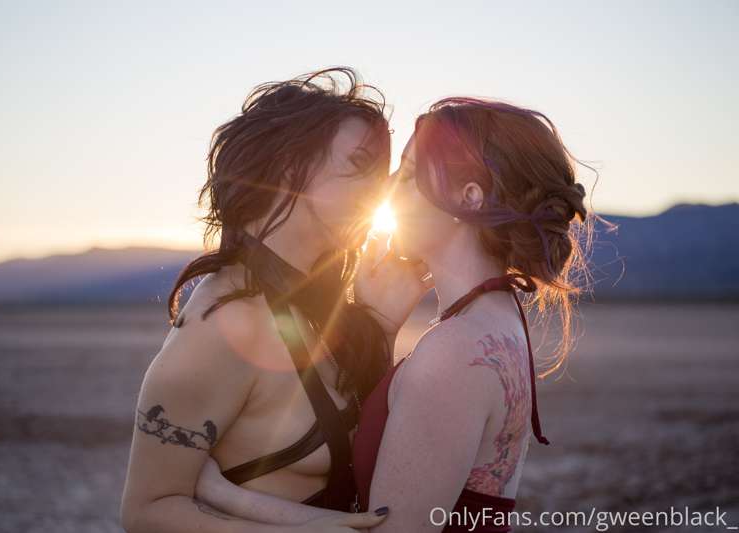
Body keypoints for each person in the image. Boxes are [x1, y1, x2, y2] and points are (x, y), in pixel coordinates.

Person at [194, 96, 607, 532]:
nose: (387, 189)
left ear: (469, 198)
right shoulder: (497, 318)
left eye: (409, 175)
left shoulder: (454, 351)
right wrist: (381, 326)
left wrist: (221, 493)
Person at [120, 67, 432, 533]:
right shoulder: (223, 324)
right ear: (289, 168)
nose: (381, 188)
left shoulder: (314, 306)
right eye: (358, 164)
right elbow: (146, 511)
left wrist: (379, 325)